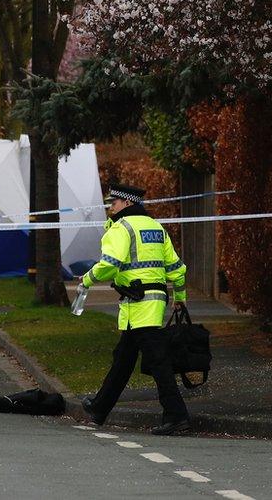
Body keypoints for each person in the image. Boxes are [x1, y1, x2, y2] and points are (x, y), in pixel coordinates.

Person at [77, 184, 191, 436]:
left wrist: (86, 279)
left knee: (158, 361)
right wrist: (180, 297)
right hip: (151, 301)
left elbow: (109, 264)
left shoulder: (121, 228)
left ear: (127, 204)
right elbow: (178, 269)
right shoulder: (156, 227)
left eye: (114, 203)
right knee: (123, 358)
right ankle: (99, 407)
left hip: (140, 303)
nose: (110, 207)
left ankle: (177, 415)